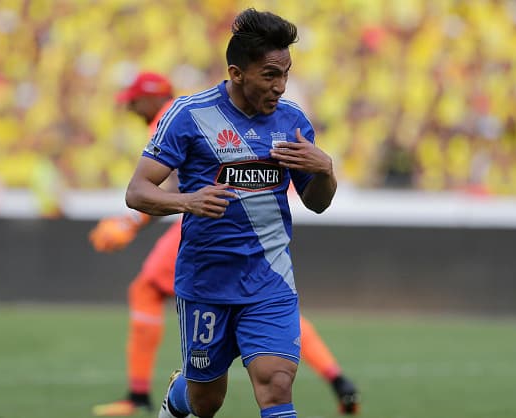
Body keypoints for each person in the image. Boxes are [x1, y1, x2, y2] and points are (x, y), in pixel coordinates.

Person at [90, 70, 360, 416]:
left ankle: (139, 394)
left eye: (134, 101)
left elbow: (172, 182)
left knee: (250, 308)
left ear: (152, 97)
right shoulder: (192, 112)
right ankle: (335, 378)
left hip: (215, 222)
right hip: (215, 218)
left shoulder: (174, 116)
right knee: (246, 320)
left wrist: (130, 223)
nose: (130, 109)